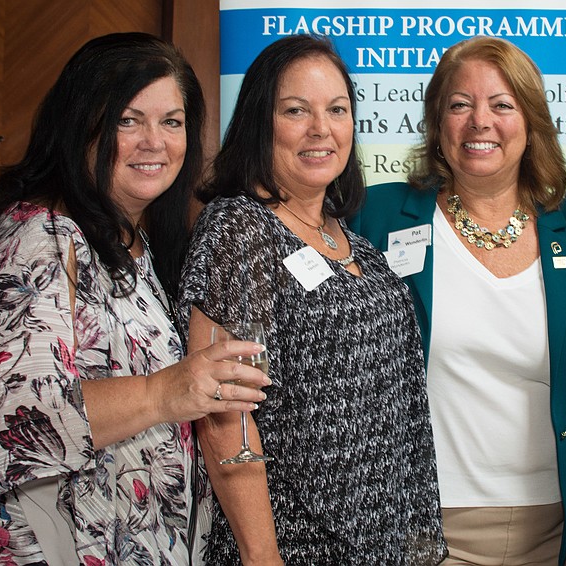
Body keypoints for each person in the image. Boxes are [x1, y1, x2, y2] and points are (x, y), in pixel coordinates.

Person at [0, 33, 270, 564]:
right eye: (128, 120)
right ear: (82, 125)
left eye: (172, 122)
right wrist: (166, 390)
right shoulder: (38, 239)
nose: (156, 141)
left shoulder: (138, 244)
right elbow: (14, 420)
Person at [179, 34, 446, 565]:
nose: (321, 129)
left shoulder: (352, 241)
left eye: (337, 110)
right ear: (260, 123)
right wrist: (262, 557)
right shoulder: (239, 232)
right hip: (294, 546)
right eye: (296, 110)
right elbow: (222, 413)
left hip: (384, 545)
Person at [349, 36, 566, 566]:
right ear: (438, 126)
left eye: (502, 105)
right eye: (459, 105)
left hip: (551, 526)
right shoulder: (376, 215)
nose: (479, 121)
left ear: (530, 124)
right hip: (420, 527)